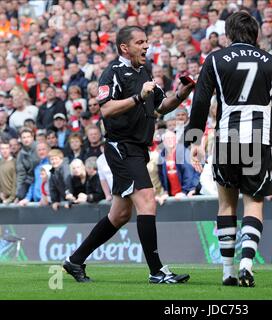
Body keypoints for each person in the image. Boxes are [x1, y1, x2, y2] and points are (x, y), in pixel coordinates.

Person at [64, 26, 194, 284]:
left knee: (120, 214)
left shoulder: (143, 72)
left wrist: (182, 93)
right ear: (125, 47)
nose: (146, 46)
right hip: (121, 147)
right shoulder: (112, 73)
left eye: (146, 41)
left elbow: (161, 105)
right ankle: (157, 271)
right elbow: (107, 109)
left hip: (138, 149)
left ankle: (74, 260)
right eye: (140, 42)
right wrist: (137, 97)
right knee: (147, 201)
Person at [188, 12, 272, 287]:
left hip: (227, 137)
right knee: (253, 202)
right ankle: (247, 264)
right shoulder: (270, 61)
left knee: (226, 203)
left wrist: (194, 140)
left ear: (229, 34)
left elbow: (201, 101)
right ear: (255, 34)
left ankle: (227, 271)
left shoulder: (216, 60)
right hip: (257, 137)